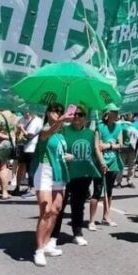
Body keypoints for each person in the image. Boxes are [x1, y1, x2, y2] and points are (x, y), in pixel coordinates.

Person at [31, 103, 72, 266]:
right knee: (46, 211)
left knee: (55, 210)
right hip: (44, 173)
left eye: (60, 112)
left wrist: (67, 156)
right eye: (55, 111)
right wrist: (60, 121)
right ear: (48, 113)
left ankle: (47, 243)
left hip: (58, 173)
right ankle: (39, 250)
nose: (58, 113)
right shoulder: (45, 130)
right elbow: (49, 132)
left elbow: (59, 153)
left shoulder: (61, 135)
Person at [57, 104, 101, 247]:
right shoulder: (62, 131)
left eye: (81, 114)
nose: (77, 117)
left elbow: (93, 153)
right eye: (75, 114)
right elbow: (56, 150)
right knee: (59, 206)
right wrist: (64, 155)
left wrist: (101, 164)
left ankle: (77, 233)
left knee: (78, 206)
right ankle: (53, 235)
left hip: (83, 175)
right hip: (65, 174)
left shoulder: (90, 133)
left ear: (85, 118)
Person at [91, 104, 123, 229]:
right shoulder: (100, 127)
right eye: (114, 111)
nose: (116, 114)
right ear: (107, 113)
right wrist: (102, 162)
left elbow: (120, 145)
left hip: (114, 162)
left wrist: (108, 146)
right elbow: (96, 146)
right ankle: (92, 221)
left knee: (109, 191)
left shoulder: (119, 127)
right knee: (97, 191)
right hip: (100, 163)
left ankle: (106, 217)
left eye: (117, 111)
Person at [15, 110, 43, 196]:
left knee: (31, 168)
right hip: (23, 147)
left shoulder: (37, 121)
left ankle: (31, 188)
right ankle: (18, 187)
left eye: (28, 111)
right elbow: (16, 132)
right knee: (21, 167)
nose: (26, 113)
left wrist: (22, 129)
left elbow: (29, 135)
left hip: (32, 147)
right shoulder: (21, 119)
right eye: (25, 111)